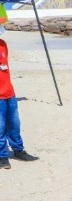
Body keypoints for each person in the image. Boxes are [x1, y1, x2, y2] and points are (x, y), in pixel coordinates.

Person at [0, 24, 39, 169]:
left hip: (9, 93)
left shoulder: (3, 44)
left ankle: (18, 150)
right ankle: (2, 156)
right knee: (0, 126)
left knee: (14, 124)